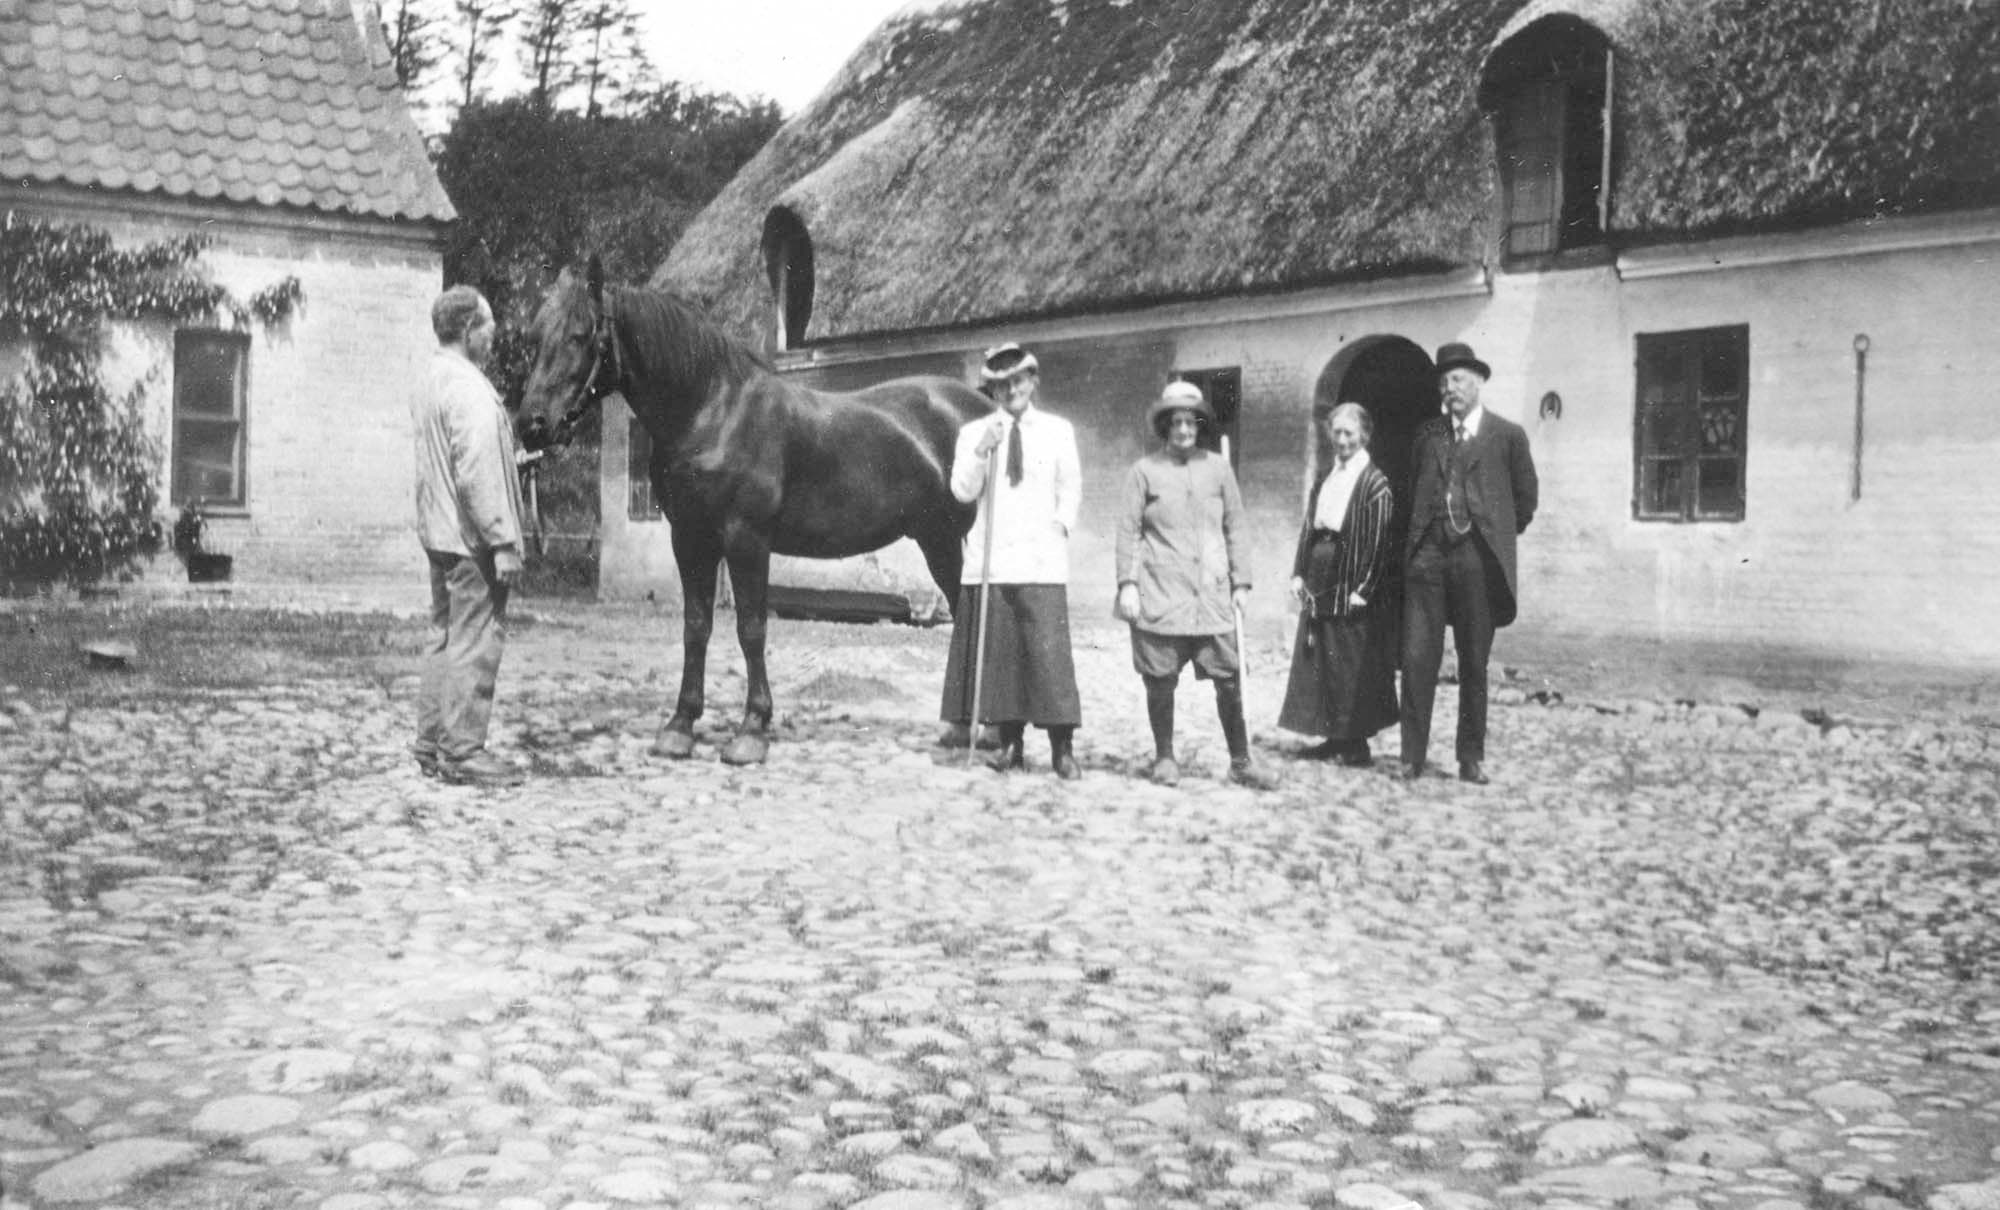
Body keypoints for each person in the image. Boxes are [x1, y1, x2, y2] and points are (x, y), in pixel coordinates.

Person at [1114, 381, 1278, 790]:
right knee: (1160, 681)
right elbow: (1127, 530)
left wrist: (1241, 582)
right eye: (1176, 422)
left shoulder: (1219, 469)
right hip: (1161, 594)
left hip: (1212, 597)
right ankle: (1165, 757)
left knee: (1229, 680)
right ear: (1165, 426)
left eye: (1191, 422)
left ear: (1199, 425)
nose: (1184, 429)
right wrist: (1127, 583)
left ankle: (1241, 761)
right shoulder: (1144, 471)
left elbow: (1236, 526)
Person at [937, 343, 1084, 778]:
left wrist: (1060, 527)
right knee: (1002, 660)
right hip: (994, 562)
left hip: (1041, 562)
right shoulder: (974, 433)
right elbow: (962, 491)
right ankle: (1010, 745)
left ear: (1033, 381)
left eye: (1017, 381)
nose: (1010, 391)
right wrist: (982, 450)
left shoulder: (1058, 430)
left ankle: (1062, 748)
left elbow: (1070, 487)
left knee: (1049, 659)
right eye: (1000, 386)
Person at [1398, 342, 1539, 784]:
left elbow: (1525, 500)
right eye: (1444, 382)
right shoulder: (1427, 436)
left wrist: (1490, 536)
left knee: (1474, 661)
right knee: (1418, 656)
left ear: (1478, 383)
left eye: (1458, 379)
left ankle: (1470, 756)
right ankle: (1411, 756)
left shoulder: (1507, 436)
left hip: (1477, 561)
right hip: (1428, 560)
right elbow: (1411, 494)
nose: (1450, 388)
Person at [410, 285, 527, 787]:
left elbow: (452, 460)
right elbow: (475, 472)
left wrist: (511, 461)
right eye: (488, 327)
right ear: (467, 330)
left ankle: (432, 742)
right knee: (476, 640)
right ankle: (463, 750)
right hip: (470, 540)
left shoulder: (430, 379)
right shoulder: (470, 388)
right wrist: (502, 540)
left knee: (443, 637)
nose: (493, 336)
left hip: (439, 533)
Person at [1277, 401, 1399, 766]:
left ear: (1364, 435)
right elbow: (1309, 527)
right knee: (1322, 658)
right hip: (1319, 575)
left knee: (1348, 661)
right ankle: (1332, 737)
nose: (1342, 440)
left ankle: (1355, 744)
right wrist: (1299, 571)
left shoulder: (1374, 483)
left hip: (1351, 582)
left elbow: (1380, 542)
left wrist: (1365, 588)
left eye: (1349, 433)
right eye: (1337, 433)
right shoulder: (1327, 478)